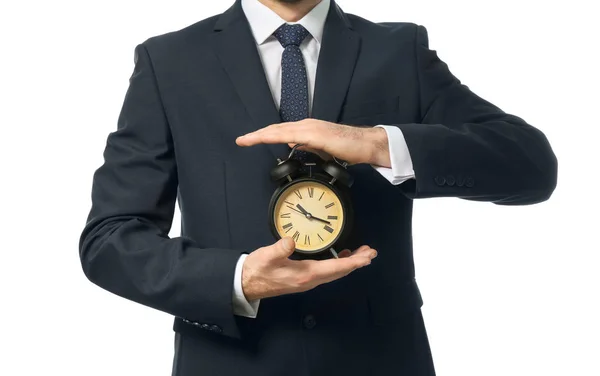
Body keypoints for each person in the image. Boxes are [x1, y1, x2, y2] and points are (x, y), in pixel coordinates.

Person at [78, 0, 557, 375]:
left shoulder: (399, 50)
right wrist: (234, 280)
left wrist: (375, 143)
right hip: (229, 362)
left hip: (381, 362)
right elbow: (110, 240)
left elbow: (531, 165)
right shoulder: (170, 61)